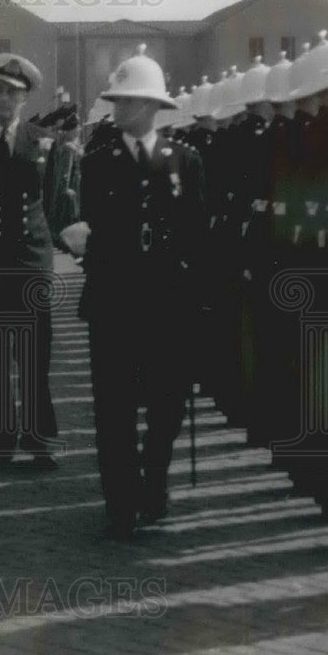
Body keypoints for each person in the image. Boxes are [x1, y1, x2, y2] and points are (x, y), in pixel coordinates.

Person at [77, 45, 207, 539]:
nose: (118, 109)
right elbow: (89, 227)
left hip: (168, 306)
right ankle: (121, 498)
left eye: (128, 101)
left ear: (152, 106)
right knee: (113, 406)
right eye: (116, 100)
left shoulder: (185, 162)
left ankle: (154, 480)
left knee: (167, 402)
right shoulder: (98, 162)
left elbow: (197, 236)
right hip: (114, 302)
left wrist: (199, 302)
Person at [0, 53, 59, 469]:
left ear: (24, 98)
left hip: (31, 262)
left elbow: (52, 204)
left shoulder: (43, 141)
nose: (4, 99)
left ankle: (38, 440)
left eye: (13, 93)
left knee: (34, 355)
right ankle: (1, 441)